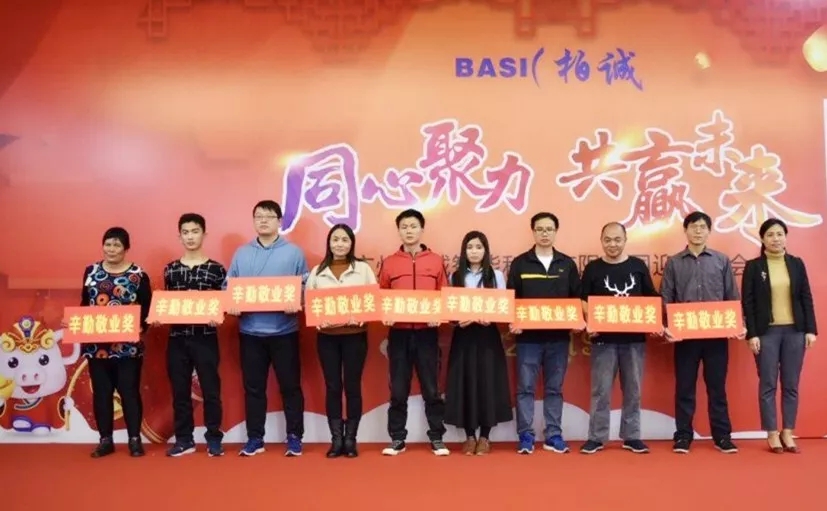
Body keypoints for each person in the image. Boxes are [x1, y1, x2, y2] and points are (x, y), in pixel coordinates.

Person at [226, 200, 309, 457]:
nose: (263, 220)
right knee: (253, 388)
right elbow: (229, 287)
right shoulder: (241, 253)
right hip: (250, 332)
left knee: (290, 387)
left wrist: (298, 301)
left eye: (269, 216)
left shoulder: (294, 252)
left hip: (285, 331)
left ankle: (294, 436)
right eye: (258, 216)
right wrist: (232, 304)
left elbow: (306, 286)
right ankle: (255, 438)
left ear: (279, 221)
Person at [661, 211, 742, 454]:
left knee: (717, 387)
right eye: (693, 226)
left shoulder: (721, 260)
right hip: (685, 335)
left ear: (709, 231)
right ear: (685, 231)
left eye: (702, 227)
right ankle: (683, 436)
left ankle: (722, 436)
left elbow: (732, 296)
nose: (698, 231)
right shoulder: (674, 262)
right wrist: (667, 327)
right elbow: (667, 297)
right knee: (685, 387)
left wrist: (738, 324)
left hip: (716, 335)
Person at [579, 222, 658, 455]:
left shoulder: (638, 266)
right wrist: (590, 321)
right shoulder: (593, 268)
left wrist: (655, 322)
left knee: (633, 390)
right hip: (603, 340)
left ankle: (632, 436)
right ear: (601, 241)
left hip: (634, 341)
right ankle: (596, 437)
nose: (612, 244)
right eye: (608, 240)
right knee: (601, 391)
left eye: (617, 239)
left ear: (625, 240)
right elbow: (583, 299)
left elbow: (651, 298)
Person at [507, 212, 581, 455]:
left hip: (558, 339)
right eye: (540, 229)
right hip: (528, 339)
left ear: (556, 232)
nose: (544, 233)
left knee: (554, 389)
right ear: (533, 232)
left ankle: (554, 435)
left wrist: (578, 320)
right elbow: (511, 299)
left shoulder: (567, 264)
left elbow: (576, 299)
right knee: (525, 388)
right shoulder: (520, 263)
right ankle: (525, 435)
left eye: (549, 229)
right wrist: (514, 321)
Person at [741, 218, 817, 454]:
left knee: (791, 384)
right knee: (768, 383)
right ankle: (772, 432)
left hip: (795, 331)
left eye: (780, 234)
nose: (776, 239)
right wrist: (752, 334)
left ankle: (788, 431)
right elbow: (748, 303)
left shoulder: (796, 263)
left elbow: (806, 297)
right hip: (767, 333)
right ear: (762, 239)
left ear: (786, 237)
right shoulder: (754, 267)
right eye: (770, 235)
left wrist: (811, 330)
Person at [378, 208, 449, 456]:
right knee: (398, 389)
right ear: (399, 231)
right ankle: (397, 438)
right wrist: (385, 313)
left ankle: (437, 437)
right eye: (404, 227)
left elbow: (445, 295)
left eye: (413, 226)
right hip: (398, 333)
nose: (409, 231)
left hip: (427, 333)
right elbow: (381, 296)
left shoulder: (436, 260)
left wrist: (439, 316)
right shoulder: (389, 262)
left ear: (422, 229)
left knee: (431, 388)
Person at [78, 227, 152, 458]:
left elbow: (147, 307)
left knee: (129, 392)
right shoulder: (91, 271)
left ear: (126, 248)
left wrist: (142, 326)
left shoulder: (138, 274)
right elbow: (84, 303)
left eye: (116, 245)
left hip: (127, 347)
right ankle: (105, 440)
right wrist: (76, 323)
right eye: (108, 244)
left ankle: (134, 440)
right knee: (101, 393)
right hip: (97, 346)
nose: (111, 249)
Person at [306, 223, 377, 458]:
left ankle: (351, 439)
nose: (340, 244)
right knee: (333, 387)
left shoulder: (363, 269)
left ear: (351, 243)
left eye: (345, 240)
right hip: (327, 338)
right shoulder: (318, 271)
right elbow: (310, 302)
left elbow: (373, 300)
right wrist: (319, 320)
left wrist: (362, 316)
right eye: (335, 239)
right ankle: (336, 439)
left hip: (355, 337)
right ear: (329, 243)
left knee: (353, 386)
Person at [161, 213, 227, 457]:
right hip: (177, 338)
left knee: (211, 391)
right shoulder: (171, 269)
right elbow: (166, 304)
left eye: (195, 231)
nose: (190, 237)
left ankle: (214, 438)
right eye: (185, 232)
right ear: (179, 236)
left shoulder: (217, 269)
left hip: (205, 337)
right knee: (180, 391)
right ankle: (184, 439)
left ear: (204, 234)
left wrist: (218, 314)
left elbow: (224, 304)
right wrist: (159, 316)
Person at [444, 231, 513, 456]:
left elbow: (503, 307)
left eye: (478, 247)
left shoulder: (496, 275)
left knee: (487, 383)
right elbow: (449, 309)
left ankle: (485, 436)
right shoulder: (455, 276)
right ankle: (469, 437)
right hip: (463, 335)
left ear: (485, 251)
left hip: (487, 335)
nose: (474, 251)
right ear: (464, 251)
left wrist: (491, 318)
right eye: (470, 247)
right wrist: (457, 321)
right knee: (464, 383)